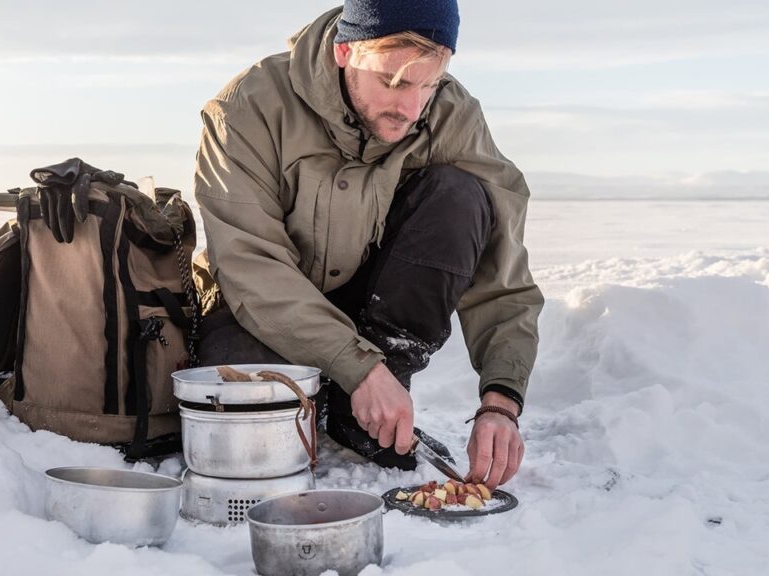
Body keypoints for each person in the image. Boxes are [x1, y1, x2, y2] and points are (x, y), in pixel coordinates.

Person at [192, 0, 544, 490]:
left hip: (368, 302)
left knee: (462, 195)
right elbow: (251, 267)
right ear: (344, 51)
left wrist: (501, 401)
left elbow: (501, 271)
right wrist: (357, 367)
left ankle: (371, 406)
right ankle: (347, 391)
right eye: (394, 82)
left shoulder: (449, 114)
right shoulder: (245, 109)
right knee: (250, 439)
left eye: (427, 84)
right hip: (259, 310)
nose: (410, 107)